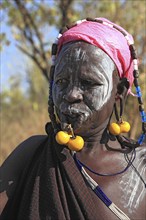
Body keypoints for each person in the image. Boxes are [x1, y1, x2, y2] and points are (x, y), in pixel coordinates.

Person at [0, 17, 146, 220]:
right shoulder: (31, 154)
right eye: (61, 81)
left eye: (88, 82)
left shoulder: (141, 167)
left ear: (119, 91)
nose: (71, 94)